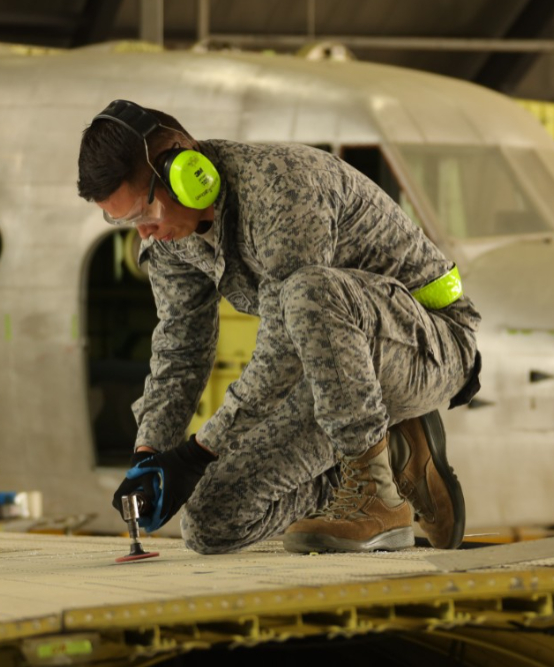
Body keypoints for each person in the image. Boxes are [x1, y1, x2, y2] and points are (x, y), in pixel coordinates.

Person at [76, 100, 481, 554]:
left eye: (144, 214)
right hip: (334, 385)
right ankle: (394, 455)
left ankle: (377, 495)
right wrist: (149, 454)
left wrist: (197, 452)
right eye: (126, 221)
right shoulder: (175, 241)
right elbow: (180, 349)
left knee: (306, 291)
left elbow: (283, 347)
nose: (145, 233)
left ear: (185, 171)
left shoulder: (280, 188)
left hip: (426, 348)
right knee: (210, 522)